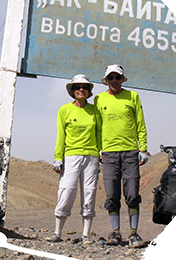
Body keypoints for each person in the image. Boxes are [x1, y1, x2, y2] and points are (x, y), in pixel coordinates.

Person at [94, 64, 149, 248]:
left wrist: (143, 149)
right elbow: (98, 127)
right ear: (106, 80)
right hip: (109, 154)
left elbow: (140, 123)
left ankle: (134, 234)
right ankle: (116, 232)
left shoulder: (132, 96)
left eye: (118, 77)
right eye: (111, 78)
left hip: (130, 152)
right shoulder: (99, 99)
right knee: (111, 195)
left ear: (122, 79)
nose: (114, 81)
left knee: (132, 194)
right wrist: (99, 150)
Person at [46, 74, 100, 244]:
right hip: (71, 156)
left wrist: (101, 151)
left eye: (84, 87)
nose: (81, 90)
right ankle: (57, 232)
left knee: (89, 192)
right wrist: (58, 158)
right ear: (72, 91)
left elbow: (99, 133)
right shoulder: (64, 110)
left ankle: (86, 235)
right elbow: (60, 135)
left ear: (89, 90)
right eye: (77, 87)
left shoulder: (95, 110)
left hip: (91, 157)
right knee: (67, 190)